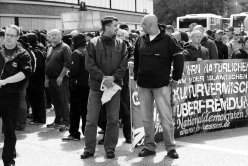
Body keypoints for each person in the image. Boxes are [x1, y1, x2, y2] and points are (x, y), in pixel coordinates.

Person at [133, 14, 184, 159]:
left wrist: (176, 78)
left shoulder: (168, 39)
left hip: (161, 86)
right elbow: (136, 58)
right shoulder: (140, 39)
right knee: (146, 119)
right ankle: (149, 147)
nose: (141, 27)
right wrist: (136, 78)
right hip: (143, 86)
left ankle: (170, 148)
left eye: (143, 24)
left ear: (150, 25)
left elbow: (179, 57)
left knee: (165, 118)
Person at [81, 16, 127, 159]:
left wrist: (113, 78)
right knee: (91, 120)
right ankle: (89, 149)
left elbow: (123, 64)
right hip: (96, 87)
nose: (117, 28)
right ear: (107, 27)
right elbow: (89, 64)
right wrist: (103, 78)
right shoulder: (93, 44)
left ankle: (110, 149)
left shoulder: (122, 44)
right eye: (115, 25)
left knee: (113, 119)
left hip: (114, 87)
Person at [0, 24, 32, 166]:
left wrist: (4, 81)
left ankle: (8, 160)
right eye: (7, 34)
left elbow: (24, 73)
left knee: (9, 129)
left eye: (12, 35)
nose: (8, 38)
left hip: (10, 96)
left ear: (18, 37)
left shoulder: (22, 53)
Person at [62, 33, 89, 140]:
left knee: (75, 110)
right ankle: (86, 131)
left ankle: (74, 133)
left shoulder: (76, 53)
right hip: (88, 84)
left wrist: (69, 73)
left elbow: (74, 71)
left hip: (77, 86)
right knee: (85, 110)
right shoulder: (88, 51)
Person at [45, 29, 71, 131]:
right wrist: (46, 78)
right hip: (51, 79)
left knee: (63, 101)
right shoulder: (49, 47)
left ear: (60, 36)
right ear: (49, 37)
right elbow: (46, 63)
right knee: (55, 101)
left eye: (56, 35)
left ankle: (66, 122)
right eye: (52, 35)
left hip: (61, 79)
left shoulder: (65, 47)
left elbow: (67, 64)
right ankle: (57, 121)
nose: (54, 37)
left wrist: (60, 76)